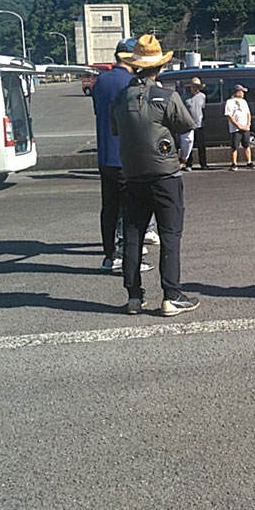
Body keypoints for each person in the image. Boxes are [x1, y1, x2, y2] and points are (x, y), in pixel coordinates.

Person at [110, 34, 199, 316]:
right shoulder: (167, 97)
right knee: (170, 234)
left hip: (132, 175)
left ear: (134, 65)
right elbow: (187, 130)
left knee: (133, 235)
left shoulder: (120, 98)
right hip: (165, 175)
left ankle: (134, 296)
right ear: (159, 67)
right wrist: (182, 159)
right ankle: (171, 295)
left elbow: (116, 130)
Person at [92, 38, 156, 273]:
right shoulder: (131, 83)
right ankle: (122, 255)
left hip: (104, 154)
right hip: (126, 155)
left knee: (109, 207)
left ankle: (109, 255)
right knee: (127, 208)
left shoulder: (100, 81)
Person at [225, 84, 255, 171]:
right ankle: (234, 163)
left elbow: (248, 113)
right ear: (237, 92)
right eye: (242, 92)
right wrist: (238, 125)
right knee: (235, 146)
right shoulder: (229, 102)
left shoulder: (244, 102)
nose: (243, 93)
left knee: (247, 145)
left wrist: (248, 124)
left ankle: (249, 162)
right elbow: (229, 115)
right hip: (235, 129)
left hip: (245, 127)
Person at [182, 77, 208, 171]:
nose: (195, 89)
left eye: (197, 87)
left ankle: (203, 164)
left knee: (201, 146)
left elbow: (203, 109)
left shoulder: (202, 96)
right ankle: (188, 164)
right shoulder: (185, 97)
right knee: (189, 146)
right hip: (189, 125)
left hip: (200, 124)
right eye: (193, 87)